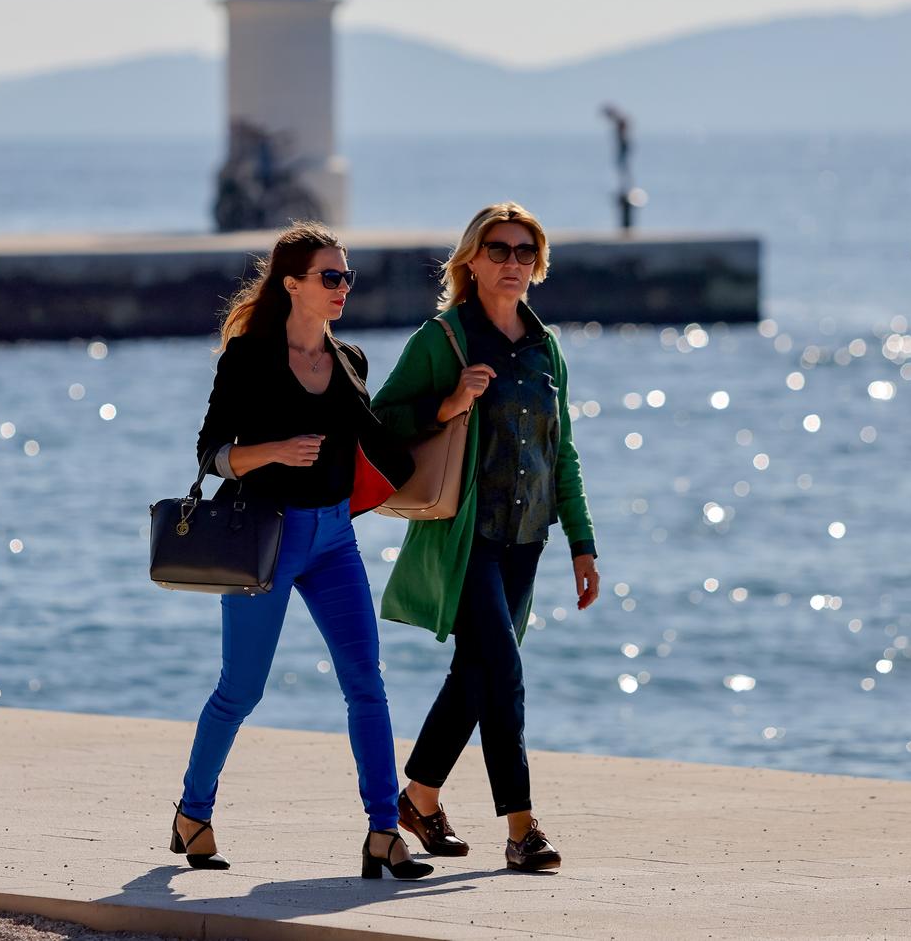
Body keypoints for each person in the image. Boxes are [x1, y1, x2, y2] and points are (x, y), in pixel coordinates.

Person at [171, 222, 432, 880]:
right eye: (330, 276)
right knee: (241, 689)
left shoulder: (350, 361)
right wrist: (273, 453)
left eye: (347, 276)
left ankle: (382, 832)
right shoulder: (249, 360)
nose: (343, 287)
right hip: (267, 536)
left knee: (366, 684)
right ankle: (192, 813)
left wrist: (452, 405)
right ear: (293, 284)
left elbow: (384, 442)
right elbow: (212, 454)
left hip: (334, 537)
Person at [372, 201, 600, 872]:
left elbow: (564, 453)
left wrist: (582, 543)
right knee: (502, 671)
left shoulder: (545, 346)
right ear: (471, 259)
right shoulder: (443, 339)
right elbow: (381, 422)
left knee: (476, 677)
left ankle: (416, 797)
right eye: (498, 249)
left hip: (526, 539)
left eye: (524, 251)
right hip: (465, 536)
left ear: (539, 263)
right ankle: (522, 828)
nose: (511, 262)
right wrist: (448, 404)